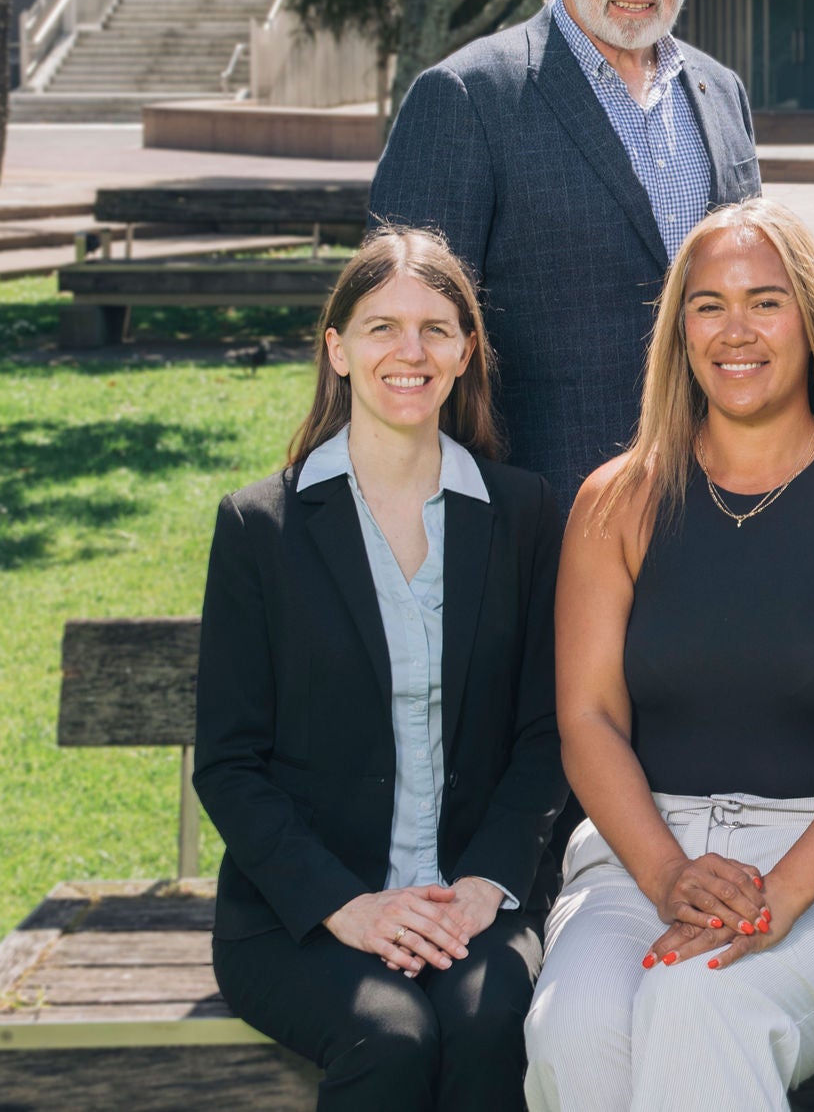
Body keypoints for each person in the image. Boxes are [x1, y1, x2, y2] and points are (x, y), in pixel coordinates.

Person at [523, 198, 814, 1110]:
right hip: (644, 855)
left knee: (700, 999)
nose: (737, 330)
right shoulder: (618, 501)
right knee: (575, 1032)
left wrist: (783, 896)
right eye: (708, 304)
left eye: (766, 301)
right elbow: (588, 720)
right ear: (679, 329)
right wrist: (670, 874)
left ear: (812, 319)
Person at [194, 228, 569, 1111]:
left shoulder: (522, 514)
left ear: (466, 351)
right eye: (381, 328)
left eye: (437, 329)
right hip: (303, 915)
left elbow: (547, 731)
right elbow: (229, 762)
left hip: (477, 899)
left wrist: (485, 884)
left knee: (486, 1026)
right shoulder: (262, 528)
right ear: (337, 349)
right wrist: (345, 906)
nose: (411, 352)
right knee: (392, 1035)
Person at [371, 0, 761, 506]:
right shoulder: (468, 98)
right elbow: (401, 336)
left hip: (719, 503)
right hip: (542, 517)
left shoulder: (720, 93)